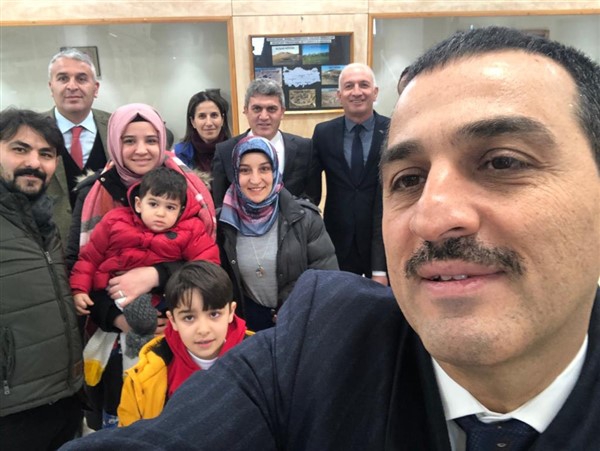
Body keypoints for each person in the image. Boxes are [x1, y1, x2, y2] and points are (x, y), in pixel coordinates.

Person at [60, 26, 600, 451]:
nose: (433, 217)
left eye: (503, 162)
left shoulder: (299, 219)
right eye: (408, 179)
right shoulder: (318, 346)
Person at [66, 103, 216, 429]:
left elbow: (210, 268)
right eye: (129, 140)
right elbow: (81, 261)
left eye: (150, 140)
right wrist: (116, 318)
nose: (141, 150)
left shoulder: (190, 190)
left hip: (178, 326)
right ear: (114, 142)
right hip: (112, 329)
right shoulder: (93, 192)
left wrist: (156, 274)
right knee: (126, 418)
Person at [69, 166, 220, 358]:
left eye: (170, 207)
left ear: (181, 210)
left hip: (168, 302)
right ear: (139, 204)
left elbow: (208, 267)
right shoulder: (114, 221)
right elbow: (90, 258)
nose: (161, 213)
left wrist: (161, 278)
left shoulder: (190, 229)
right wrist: (79, 289)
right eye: (154, 204)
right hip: (113, 297)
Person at [0, 109, 83, 449]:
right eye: (20, 149)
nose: (34, 163)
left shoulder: (44, 223)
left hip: (63, 399)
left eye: (46, 154)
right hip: (13, 413)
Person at [218, 136, 338, 331]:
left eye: (264, 169)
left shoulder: (304, 218)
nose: (255, 179)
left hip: (299, 321)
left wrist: (295, 309)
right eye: (245, 170)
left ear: (275, 171)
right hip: (246, 327)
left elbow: (328, 279)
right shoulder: (224, 222)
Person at [117, 261, 248, 427]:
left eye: (214, 314)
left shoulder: (261, 359)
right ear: (173, 320)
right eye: (189, 317)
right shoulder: (144, 377)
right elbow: (130, 434)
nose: (203, 330)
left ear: (231, 312)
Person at [312, 63, 389, 285]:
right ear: (339, 95)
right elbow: (311, 191)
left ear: (375, 92)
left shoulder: (393, 131)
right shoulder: (323, 133)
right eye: (349, 86)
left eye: (364, 85)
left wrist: (380, 268)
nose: (356, 92)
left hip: (382, 239)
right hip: (337, 241)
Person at [211, 78, 320, 208]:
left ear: (282, 112)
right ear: (246, 110)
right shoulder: (225, 151)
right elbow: (220, 204)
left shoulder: (305, 148)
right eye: (257, 109)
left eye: (271, 109)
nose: (264, 116)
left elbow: (312, 198)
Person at [44, 48, 111, 242]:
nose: (72, 86)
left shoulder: (117, 127)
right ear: (51, 87)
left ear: (95, 88)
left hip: (110, 242)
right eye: (63, 78)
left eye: (81, 79)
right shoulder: (31, 131)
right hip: (51, 243)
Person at [174, 90, 231, 173]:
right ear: (193, 122)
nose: (209, 123)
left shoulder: (236, 151)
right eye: (202, 116)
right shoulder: (178, 155)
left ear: (222, 119)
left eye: (214, 115)